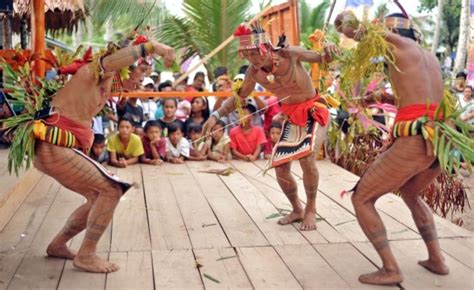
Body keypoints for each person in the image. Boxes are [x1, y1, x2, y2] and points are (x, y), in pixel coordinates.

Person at [20, 39, 175, 273]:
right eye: (141, 71)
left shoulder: (106, 82)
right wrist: (152, 46)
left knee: (97, 197)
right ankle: (86, 255)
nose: (142, 79)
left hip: (57, 146)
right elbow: (110, 61)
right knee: (111, 190)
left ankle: (58, 245)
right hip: (54, 145)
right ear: (127, 63)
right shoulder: (95, 70)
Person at [335, 11, 451, 285]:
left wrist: (341, 22)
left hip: (415, 139)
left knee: (361, 198)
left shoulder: (398, 44)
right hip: (440, 140)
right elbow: (420, 99)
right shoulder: (428, 57)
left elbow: (353, 27)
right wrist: (382, 96)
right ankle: (437, 260)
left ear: (393, 35)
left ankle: (390, 269)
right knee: (411, 194)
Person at [203, 21, 338, 231]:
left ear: (265, 48)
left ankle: (311, 208)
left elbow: (321, 58)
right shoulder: (253, 73)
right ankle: (297, 209)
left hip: (314, 110)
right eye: (247, 55)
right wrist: (215, 115)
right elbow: (239, 97)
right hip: (292, 117)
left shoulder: (290, 54)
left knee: (307, 157)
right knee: (281, 167)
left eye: (254, 54)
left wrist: (329, 51)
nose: (252, 60)